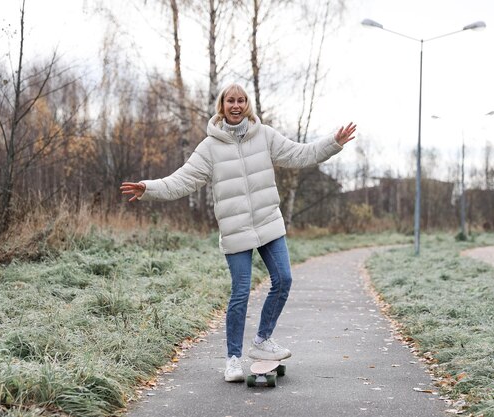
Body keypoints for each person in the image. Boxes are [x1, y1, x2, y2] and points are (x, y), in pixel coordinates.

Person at [121, 83, 356, 382]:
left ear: (247, 105)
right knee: (241, 291)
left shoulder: (265, 136)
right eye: (230, 100)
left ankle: (262, 340)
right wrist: (148, 188)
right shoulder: (209, 148)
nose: (236, 105)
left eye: (241, 100)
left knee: (283, 279)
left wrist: (333, 143)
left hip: (268, 222)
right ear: (222, 105)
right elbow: (182, 181)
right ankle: (233, 359)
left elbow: (300, 154)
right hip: (235, 230)